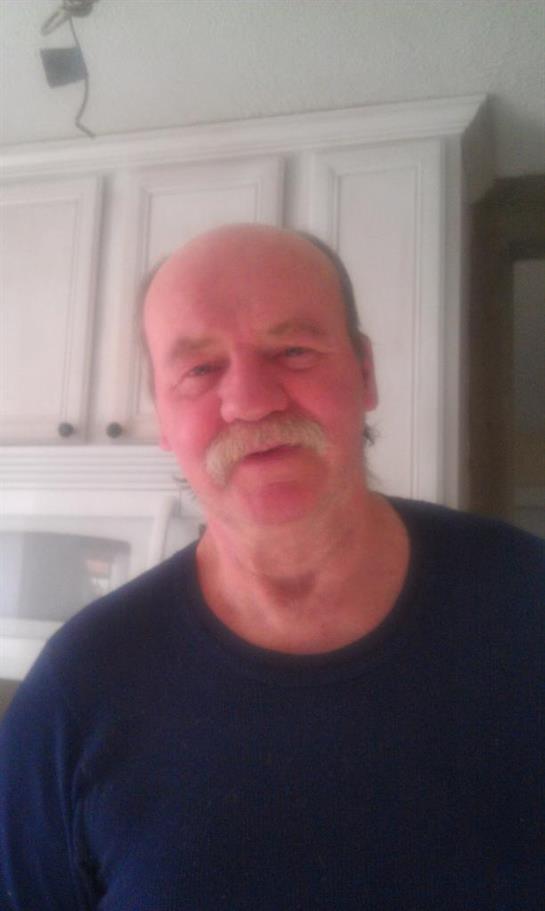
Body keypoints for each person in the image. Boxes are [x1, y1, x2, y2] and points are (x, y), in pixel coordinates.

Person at [0, 224, 543, 910]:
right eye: (200, 370)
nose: (251, 401)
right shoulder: (74, 691)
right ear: (163, 417)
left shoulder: (527, 599)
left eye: (293, 350)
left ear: (366, 373)